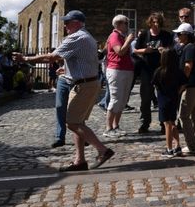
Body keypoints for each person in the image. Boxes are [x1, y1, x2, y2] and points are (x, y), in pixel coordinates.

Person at [13, 10, 114, 171]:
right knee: (78, 122)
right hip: (86, 82)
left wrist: (25, 58)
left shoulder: (76, 37)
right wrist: (66, 70)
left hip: (84, 85)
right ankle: (79, 161)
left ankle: (102, 150)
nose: (65, 25)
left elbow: (51, 57)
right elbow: (82, 61)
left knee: (72, 122)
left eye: (67, 22)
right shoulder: (86, 36)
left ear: (77, 22)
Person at [133, 12, 172, 133]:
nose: (156, 24)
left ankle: (163, 123)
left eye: (158, 22)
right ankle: (145, 122)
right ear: (150, 22)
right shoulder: (144, 35)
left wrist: (164, 50)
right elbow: (135, 50)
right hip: (147, 69)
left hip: (161, 69)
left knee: (163, 97)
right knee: (145, 98)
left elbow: (172, 49)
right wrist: (145, 50)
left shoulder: (166, 35)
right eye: (154, 22)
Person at [174, 22, 195, 155]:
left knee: (183, 116)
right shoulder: (191, 47)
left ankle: (192, 145)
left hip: (191, 87)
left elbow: (188, 67)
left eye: (179, 34)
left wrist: (181, 85)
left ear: (186, 35)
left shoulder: (189, 48)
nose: (177, 36)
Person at [103, 15, 135, 138]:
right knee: (115, 99)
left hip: (126, 70)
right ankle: (108, 128)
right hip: (116, 70)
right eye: (126, 23)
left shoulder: (121, 36)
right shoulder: (114, 36)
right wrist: (129, 40)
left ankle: (116, 126)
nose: (128, 25)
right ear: (119, 24)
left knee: (123, 100)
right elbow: (119, 51)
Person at [152, 49, 187, 158]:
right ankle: (177, 146)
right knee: (173, 122)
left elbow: (154, 84)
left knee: (167, 124)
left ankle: (169, 148)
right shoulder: (178, 71)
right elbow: (184, 83)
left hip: (163, 99)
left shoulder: (159, 71)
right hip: (174, 98)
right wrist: (178, 91)